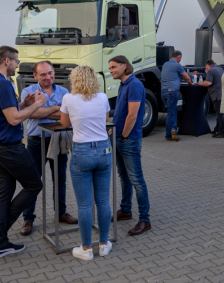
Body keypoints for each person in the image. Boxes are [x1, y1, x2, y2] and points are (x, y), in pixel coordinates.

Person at [0, 46, 46, 259]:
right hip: (9, 148)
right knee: (34, 184)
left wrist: (23, 104)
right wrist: (38, 105)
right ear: (7, 61)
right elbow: (14, 119)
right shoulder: (3, 84)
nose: (18, 65)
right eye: (16, 61)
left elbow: (7, 111)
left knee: (5, 191)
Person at [59, 66, 113, 261]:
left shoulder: (68, 99)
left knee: (84, 204)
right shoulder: (103, 98)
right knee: (103, 200)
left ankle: (87, 248)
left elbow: (65, 124)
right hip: (104, 149)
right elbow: (105, 119)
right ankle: (105, 244)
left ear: (75, 80)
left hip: (82, 151)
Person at [19, 61, 77, 236]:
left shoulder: (64, 92)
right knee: (33, 182)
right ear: (35, 76)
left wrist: (43, 109)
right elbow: (32, 113)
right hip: (36, 142)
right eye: (43, 74)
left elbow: (68, 115)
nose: (48, 77)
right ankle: (28, 218)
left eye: (50, 73)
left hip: (59, 140)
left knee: (59, 179)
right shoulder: (28, 91)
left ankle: (60, 213)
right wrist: (55, 109)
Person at [109, 56, 152, 235]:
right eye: (110, 68)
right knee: (124, 176)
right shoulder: (124, 84)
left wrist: (124, 136)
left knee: (137, 180)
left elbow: (133, 116)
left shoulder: (134, 85)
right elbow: (121, 112)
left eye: (113, 67)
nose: (110, 70)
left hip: (129, 139)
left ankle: (145, 220)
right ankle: (126, 210)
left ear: (124, 66)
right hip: (119, 137)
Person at [160, 50, 193, 141]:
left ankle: (174, 130)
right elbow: (186, 76)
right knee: (171, 113)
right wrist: (190, 83)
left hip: (163, 92)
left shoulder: (165, 64)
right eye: (180, 58)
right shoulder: (177, 65)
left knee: (173, 111)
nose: (180, 60)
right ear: (178, 58)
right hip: (172, 92)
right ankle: (168, 135)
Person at [197, 59, 224, 138]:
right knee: (219, 113)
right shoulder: (220, 69)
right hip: (222, 93)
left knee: (220, 114)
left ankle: (222, 132)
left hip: (216, 94)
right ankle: (217, 129)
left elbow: (209, 82)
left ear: (207, 66)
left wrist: (201, 83)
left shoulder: (211, 71)